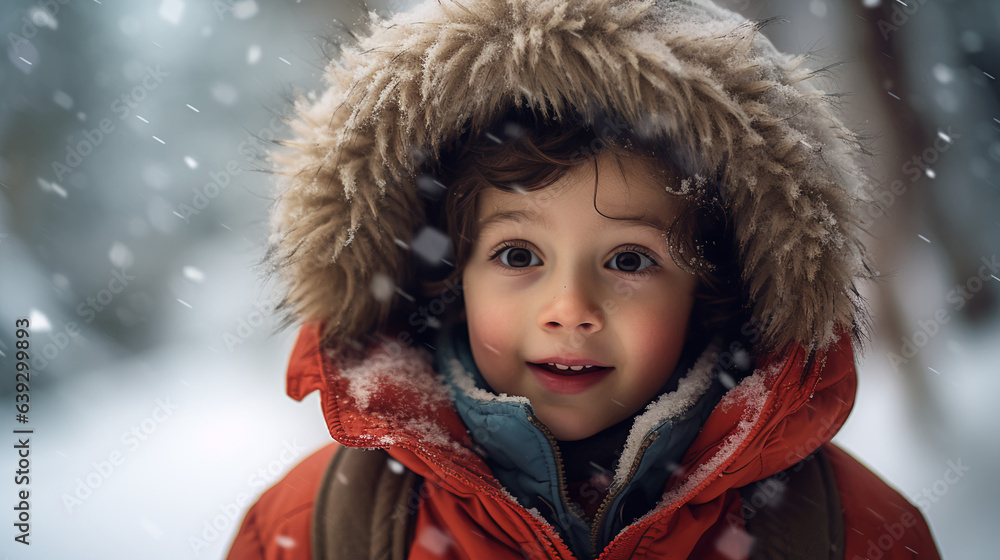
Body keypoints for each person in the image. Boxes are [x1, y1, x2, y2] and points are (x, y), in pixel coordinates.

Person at [226, 0, 942, 558]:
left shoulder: (850, 530)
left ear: (712, 288)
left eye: (629, 260)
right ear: (449, 276)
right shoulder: (318, 528)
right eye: (518, 256)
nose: (570, 309)